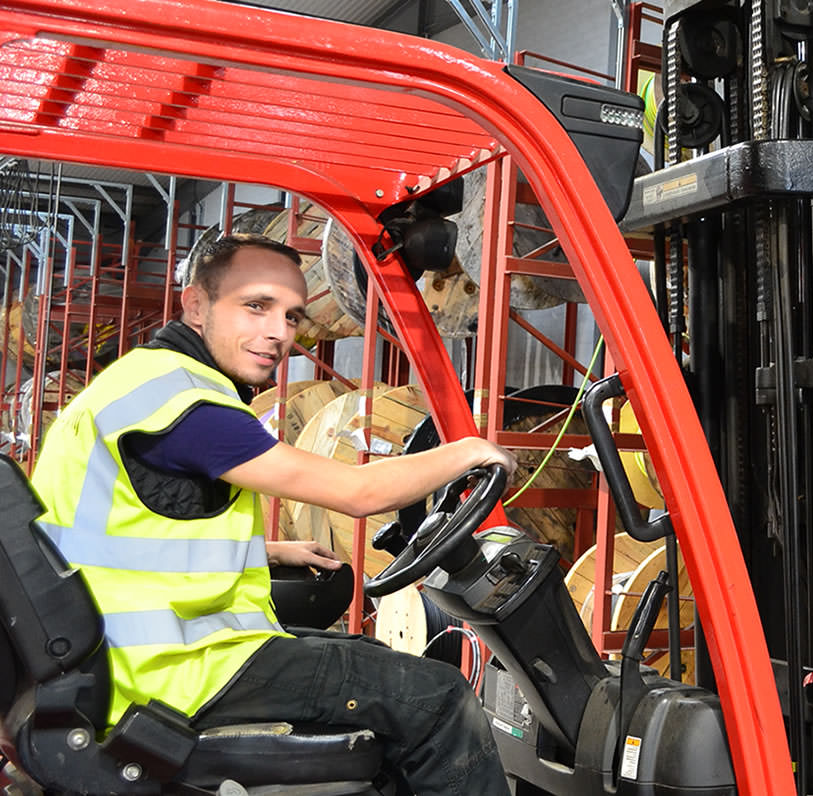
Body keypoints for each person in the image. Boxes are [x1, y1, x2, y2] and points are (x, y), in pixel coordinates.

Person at [28, 235, 517, 796]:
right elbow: (359, 492)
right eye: (255, 306)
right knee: (437, 698)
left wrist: (268, 551)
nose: (279, 333)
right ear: (195, 306)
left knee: (368, 657)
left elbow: (124, 530)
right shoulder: (190, 407)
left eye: (291, 316)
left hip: (120, 661)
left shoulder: (139, 382)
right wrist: (472, 451)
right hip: (172, 675)